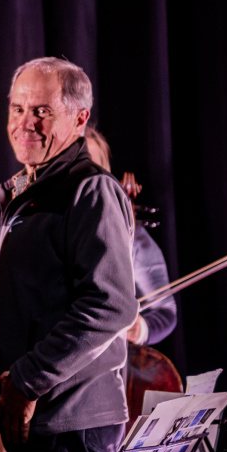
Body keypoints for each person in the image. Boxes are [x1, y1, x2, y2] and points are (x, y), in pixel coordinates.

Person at [0, 57, 137, 452]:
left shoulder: (91, 188)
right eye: (18, 108)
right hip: (37, 418)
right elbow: (28, 301)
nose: (25, 123)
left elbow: (112, 306)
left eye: (42, 111)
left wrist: (27, 380)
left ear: (80, 119)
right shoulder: (27, 189)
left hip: (70, 424)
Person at [85, 126, 177, 345]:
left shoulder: (130, 238)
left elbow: (165, 313)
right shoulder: (30, 225)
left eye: (90, 170)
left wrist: (140, 329)